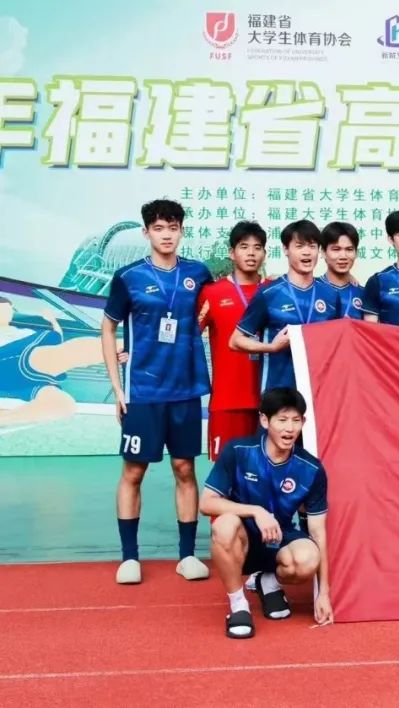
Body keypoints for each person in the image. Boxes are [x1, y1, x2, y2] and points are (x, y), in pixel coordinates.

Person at [100, 199, 212, 585]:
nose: (167, 235)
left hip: (185, 390)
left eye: (173, 228)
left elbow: (213, 313)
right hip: (143, 391)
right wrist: (118, 388)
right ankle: (130, 557)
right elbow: (108, 328)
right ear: (146, 232)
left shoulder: (198, 273)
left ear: (182, 231)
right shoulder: (128, 277)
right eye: (159, 228)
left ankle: (187, 555)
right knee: (134, 471)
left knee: (185, 469)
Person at [200, 387, 333, 639]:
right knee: (223, 525)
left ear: (303, 422)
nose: (289, 429)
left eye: (296, 420)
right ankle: (238, 605)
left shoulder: (311, 469)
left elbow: (318, 532)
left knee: (308, 557)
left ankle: (268, 581)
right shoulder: (238, 451)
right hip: (242, 540)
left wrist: (323, 593)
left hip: (279, 539)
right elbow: (207, 503)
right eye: (282, 420)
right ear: (264, 420)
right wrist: (255, 511)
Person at [231, 220, 341, 391]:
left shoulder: (331, 295)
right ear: (285, 249)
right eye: (299, 246)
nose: (307, 252)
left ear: (319, 251)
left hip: (319, 391)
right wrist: (272, 347)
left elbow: (338, 344)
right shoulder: (269, 293)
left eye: (312, 246)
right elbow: (235, 341)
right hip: (277, 391)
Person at [197, 221, 267, 461]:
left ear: (265, 253)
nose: (251, 253)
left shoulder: (275, 290)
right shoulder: (212, 293)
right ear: (231, 252)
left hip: (269, 401)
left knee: (265, 472)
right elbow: (187, 338)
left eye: (257, 247)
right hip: (227, 400)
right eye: (244, 247)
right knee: (225, 472)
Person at [0, 297, 118, 427]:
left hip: (24, 380)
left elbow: (56, 339)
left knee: (63, 405)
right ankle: (124, 346)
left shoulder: (26, 333)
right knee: (55, 356)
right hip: (9, 363)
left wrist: (52, 320)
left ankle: (4, 419)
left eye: (8, 310)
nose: (6, 314)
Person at [318, 221, 365, 319]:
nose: (343, 256)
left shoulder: (365, 294)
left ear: (356, 253)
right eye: (336, 249)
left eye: (349, 249)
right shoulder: (312, 289)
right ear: (323, 252)